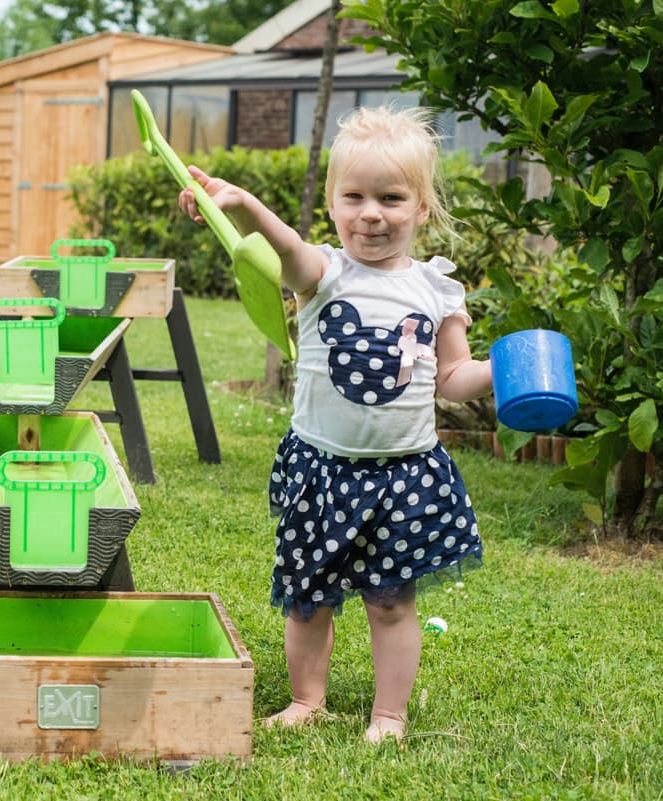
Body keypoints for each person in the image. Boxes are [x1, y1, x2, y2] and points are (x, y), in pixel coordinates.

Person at [179, 106, 492, 743]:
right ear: (332, 203)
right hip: (321, 469)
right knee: (307, 595)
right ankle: (306, 700)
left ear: (422, 208)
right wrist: (242, 205)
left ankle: (389, 715)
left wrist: (501, 374)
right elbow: (285, 250)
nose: (371, 213)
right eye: (354, 197)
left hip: (404, 474)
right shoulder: (323, 274)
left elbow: (453, 379)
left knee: (392, 602)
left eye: (391, 198)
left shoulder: (438, 292)